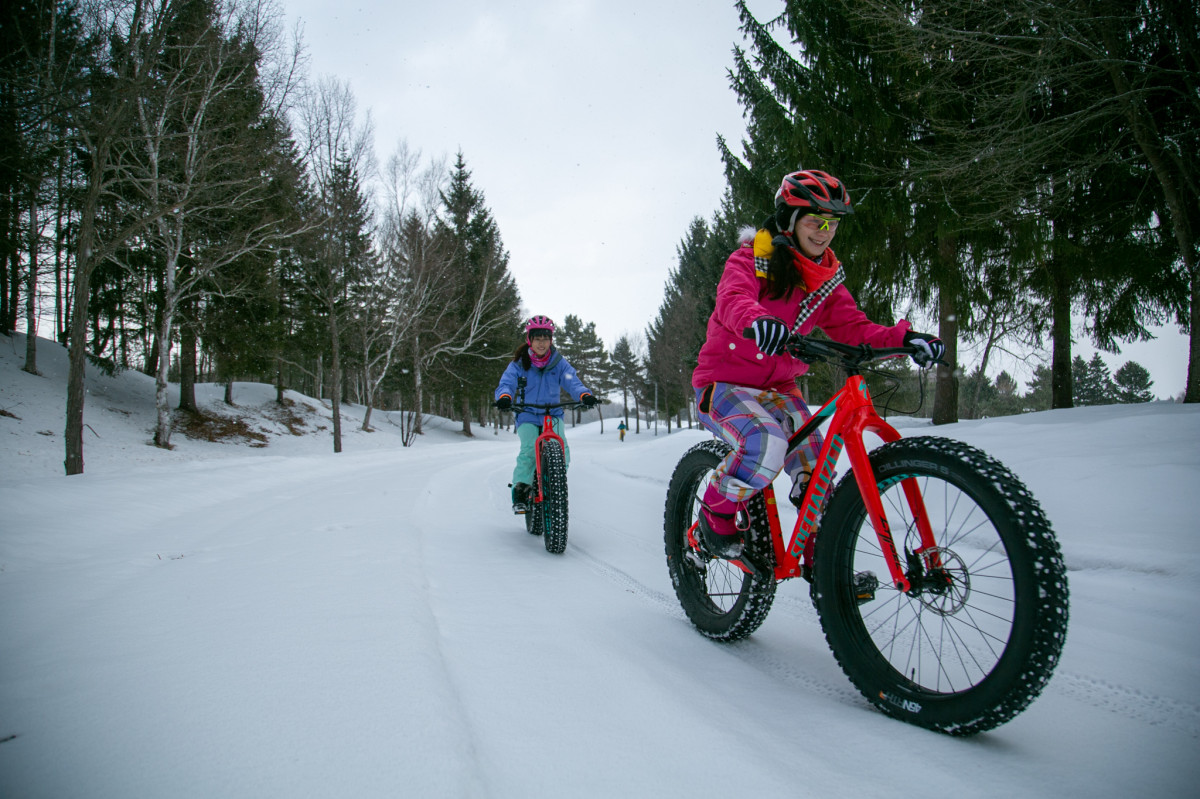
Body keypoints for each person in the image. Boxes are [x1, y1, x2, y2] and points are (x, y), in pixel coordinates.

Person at [691, 169, 944, 559]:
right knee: (766, 443)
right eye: (815, 221)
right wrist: (757, 320)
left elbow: (854, 327)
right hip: (723, 385)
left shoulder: (824, 279)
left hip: (779, 390)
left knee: (816, 467)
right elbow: (734, 298)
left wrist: (904, 339)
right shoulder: (753, 259)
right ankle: (715, 511)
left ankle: (821, 560)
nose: (824, 231)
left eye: (832, 224)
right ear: (790, 220)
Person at [494, 315, 597, 513]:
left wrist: (584, 395)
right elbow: (506, 383)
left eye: (545, 339)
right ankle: (522, 491)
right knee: (529, 450)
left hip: (553, 413)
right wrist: (505, 397)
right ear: (529, 340)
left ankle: (554, 483)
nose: (542, 343)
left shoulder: (558, 363)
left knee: (562, 448)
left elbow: (572, 381)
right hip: (527, 413)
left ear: (551, 340)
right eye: (537, 339)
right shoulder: (519, 364)